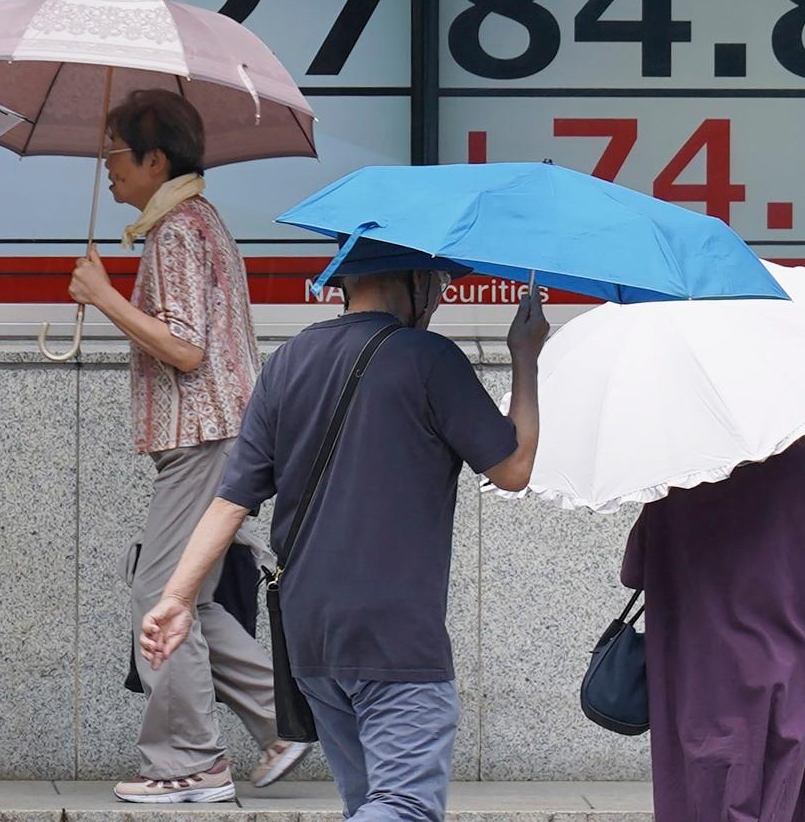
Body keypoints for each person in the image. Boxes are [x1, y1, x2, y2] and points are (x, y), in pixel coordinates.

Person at [138, 240, 550, 822]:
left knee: (368, 804)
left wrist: (177, 597)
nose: (440, 296)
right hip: (394, 636)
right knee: (403, 806)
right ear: (414, 278)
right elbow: (514, 468)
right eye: (438, 282)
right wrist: (526, 357)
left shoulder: (288, 362)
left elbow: (232, 499)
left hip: (312, 638)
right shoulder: (427, 358)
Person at [64, 89, 306, 803]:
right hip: (218, 434)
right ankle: (283, 719)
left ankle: (189, 760)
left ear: (154, 158)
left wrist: (105, 299)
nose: (106, 168)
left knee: (156, 593)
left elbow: (187, 349)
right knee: (186, 598)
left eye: (113, 153)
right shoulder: (196, 220)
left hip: (202, 434)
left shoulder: (175, 231)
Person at [621, 417, 805, 822]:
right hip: (781, 680)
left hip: (694, 679)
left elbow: (635, 572)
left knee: (696, 804)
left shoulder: (680, 474)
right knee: (770, 805)